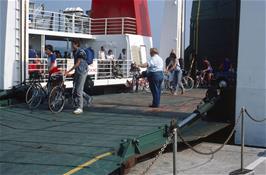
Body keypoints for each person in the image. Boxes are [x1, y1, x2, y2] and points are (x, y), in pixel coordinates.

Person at [64, 39, 92, 114]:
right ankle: (88, 97)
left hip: (82, 72)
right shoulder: (74, 52)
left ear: (76, 44)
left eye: (72, 44)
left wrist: (68, 71)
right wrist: (72, 73)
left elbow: (77, 63)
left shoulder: (81, 52)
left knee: (79, 90)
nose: (71, 46)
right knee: (75, 88)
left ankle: (80, 108)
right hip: (78, 71)